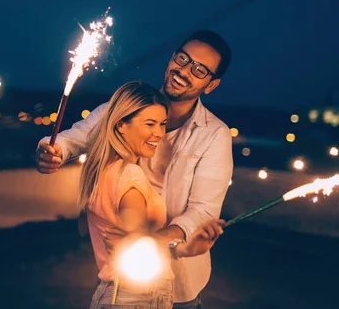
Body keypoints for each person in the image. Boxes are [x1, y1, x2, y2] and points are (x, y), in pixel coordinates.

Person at [36, 30, 233, 307]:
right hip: (125, 277)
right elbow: (77, 137)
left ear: (211, 85)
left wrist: (151, 240)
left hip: (180, 282)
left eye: (199, 69)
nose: (185, 70)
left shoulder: (215, 134)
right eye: (183, 58)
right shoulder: (124, 108)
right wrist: (52, 150)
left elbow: (203, 210)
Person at [80, 81, 225, 309]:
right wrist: (183, 248)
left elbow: (135, 243)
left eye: (162, 124)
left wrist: (186, 248)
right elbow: (136, 244)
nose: (159, 133)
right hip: (136, 298)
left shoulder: (105, 171)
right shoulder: (130, 176)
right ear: (120, 125)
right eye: (150, 124)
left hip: (121, 294)